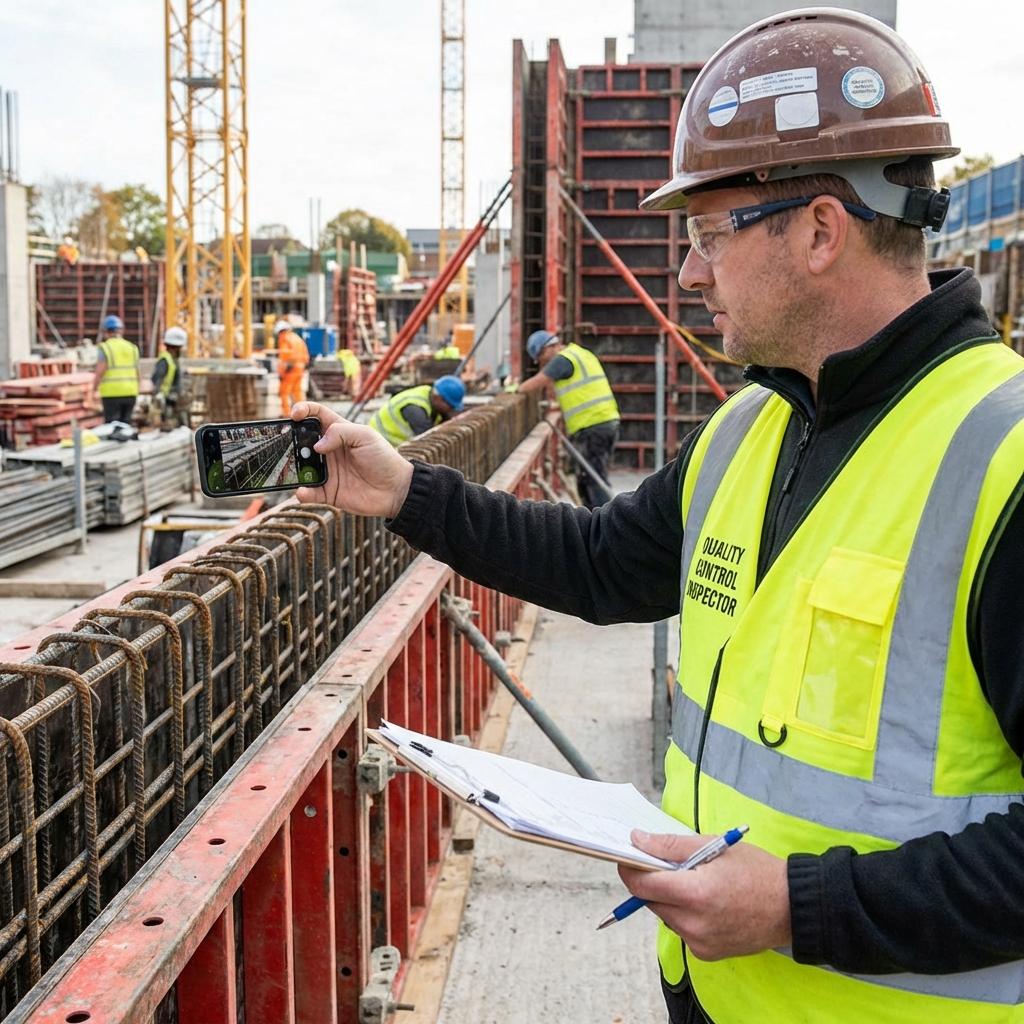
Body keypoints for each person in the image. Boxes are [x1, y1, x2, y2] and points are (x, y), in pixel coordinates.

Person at [292, 9, 1024, 1022]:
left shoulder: (1004, 458)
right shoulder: (753, 428)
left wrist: (797, 906)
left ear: (819, 231)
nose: (687, 272)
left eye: (706, 234)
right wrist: (405, 491)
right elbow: (602, 563)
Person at [520, 329, 619, 508]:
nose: (542, 363)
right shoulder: (580, 353)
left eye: (540, 358)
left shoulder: (563, 359)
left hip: (593, 425)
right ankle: (595, 521)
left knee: (593, 479)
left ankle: (607, 523)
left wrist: (515, 390)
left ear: (546, 349)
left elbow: (537, 382)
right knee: (588, 478)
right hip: (603, 422)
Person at [369, 375, 464, 447]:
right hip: (379, 443)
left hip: (391, 446)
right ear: (439, 398)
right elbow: (428, 439)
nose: (451, 410)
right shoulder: (415, 410)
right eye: (450, 406)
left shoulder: (429, 394)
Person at [94, 314, 140, 424]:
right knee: (126, 426)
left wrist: (94, 389)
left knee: (112, 427)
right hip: (130, 392)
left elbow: (100, 371)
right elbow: (137, 372)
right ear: (121, 330)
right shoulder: (132, 348)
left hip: (111, 394)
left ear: (106, 331)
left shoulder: (106, 348)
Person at [151, 326, 187, 428]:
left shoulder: (173, 360)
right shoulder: (165, 360)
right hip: (165, 400)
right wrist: (158, 394)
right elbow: (157, 378)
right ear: (175, 347)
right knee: (167, 425)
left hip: (172, 399)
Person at [275, 319, 309, 414]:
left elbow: (284, 358)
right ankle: (303, 413)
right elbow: (305, 355)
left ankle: (286, 414)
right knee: (297, 392)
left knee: (284, 392)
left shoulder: (284, 338)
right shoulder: (297, 338)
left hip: (290, 370)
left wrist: (281, 373)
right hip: (300, 368)